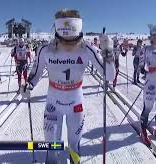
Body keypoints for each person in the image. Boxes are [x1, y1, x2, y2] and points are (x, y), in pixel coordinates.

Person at [22, 9, 115, 163]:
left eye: (72, 40)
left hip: (76, 104)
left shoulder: (87, 49)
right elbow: (35, 74)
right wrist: (28, 85)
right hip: (53, 104)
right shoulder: (45, 50)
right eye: (65, 40)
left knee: (74, 145)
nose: (68, 44)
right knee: (52, 145)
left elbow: (109, 76)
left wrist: (109, 52)